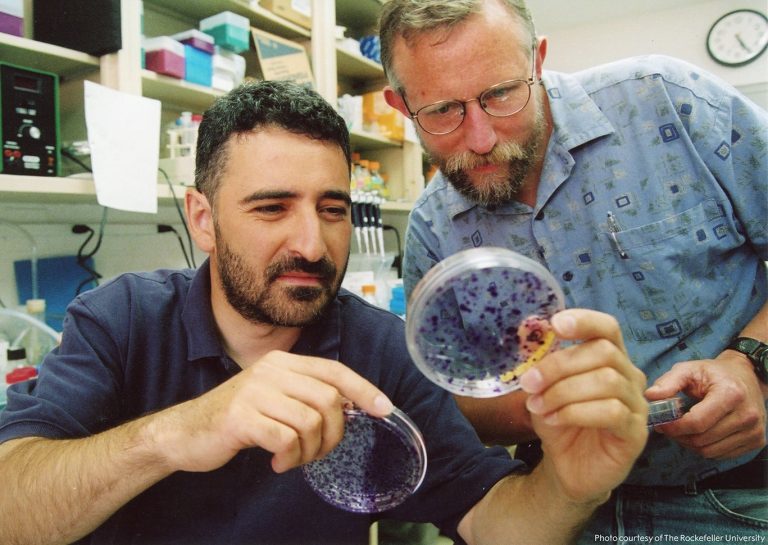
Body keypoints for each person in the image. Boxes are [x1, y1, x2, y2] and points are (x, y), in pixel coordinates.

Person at [0, 80, 648, 545]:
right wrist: (177, 433)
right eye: (272, 208)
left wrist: (571, 487)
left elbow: (488, 517)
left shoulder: (381, 350)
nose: (312, 244)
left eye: (333, 209)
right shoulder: (121, 320)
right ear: (203, 218)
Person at [379, 0, 768, 542]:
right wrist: (547, 409)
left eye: (501, 94)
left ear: (537, 60)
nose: (481, 138)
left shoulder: (667, 102)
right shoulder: (431, 226)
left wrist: (752, 363)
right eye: (442, 110)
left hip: (739, 492)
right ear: (401, 106)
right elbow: (453, 402)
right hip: (562, 507)